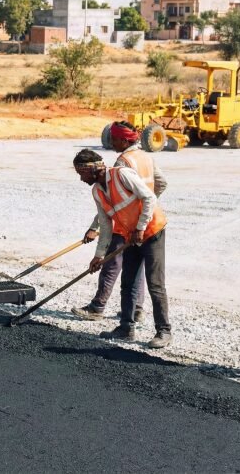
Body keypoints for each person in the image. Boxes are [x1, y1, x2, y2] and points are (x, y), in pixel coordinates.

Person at [72, 149, 172, 349]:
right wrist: (99, 256)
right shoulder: (97, 192)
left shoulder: (122, 174)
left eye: (81, 173)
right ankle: (126, 328)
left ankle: (164, 331)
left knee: (155, 283)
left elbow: (150, 198)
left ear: (92, 169)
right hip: (130, 236)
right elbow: (106, 226)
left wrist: (141, 227)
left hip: (152, 232)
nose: (80, 178)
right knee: (128, 283)